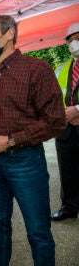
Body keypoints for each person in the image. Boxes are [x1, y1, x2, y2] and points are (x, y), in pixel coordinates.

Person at [0, 14, 66, 266]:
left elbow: (55, 120)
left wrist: (10, 141)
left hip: (26, 162)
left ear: (10, 34)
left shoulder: (36, 69)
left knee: (38, 231)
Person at [51, 22, 79, 221]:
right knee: (67, 169)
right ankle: (69, 208)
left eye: (78, 37)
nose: (74, 43)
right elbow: (52, 98)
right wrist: (65, 113)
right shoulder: (60, 68)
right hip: (66, 128)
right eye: (71, 39)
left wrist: (76, 110)